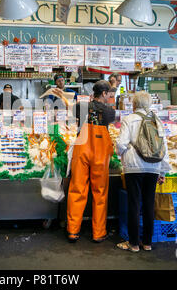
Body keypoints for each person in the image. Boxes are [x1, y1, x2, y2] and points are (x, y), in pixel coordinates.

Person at [115, 91, 171, 252]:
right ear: (149, 105)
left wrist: (120, 154)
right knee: (148, 204)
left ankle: (133, 244)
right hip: (154, 167)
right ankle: (147, 243)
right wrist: (163, 172)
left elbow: (121, 144)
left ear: (133, 105)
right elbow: (163, 148)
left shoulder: (129, 119)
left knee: (134, 204)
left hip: (134, 167)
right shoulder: (157, 121)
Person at [67, 80, 115, 243]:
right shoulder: (110, 111)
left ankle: (73, 231)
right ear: (104, 93)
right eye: (109, 93)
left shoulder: (80, 106)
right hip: (100, 154)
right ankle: (98, 232)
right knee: (100, 193)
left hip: (82, 151)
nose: (110, 96)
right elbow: (108, 121)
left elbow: (73, 113)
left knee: (77, 190)